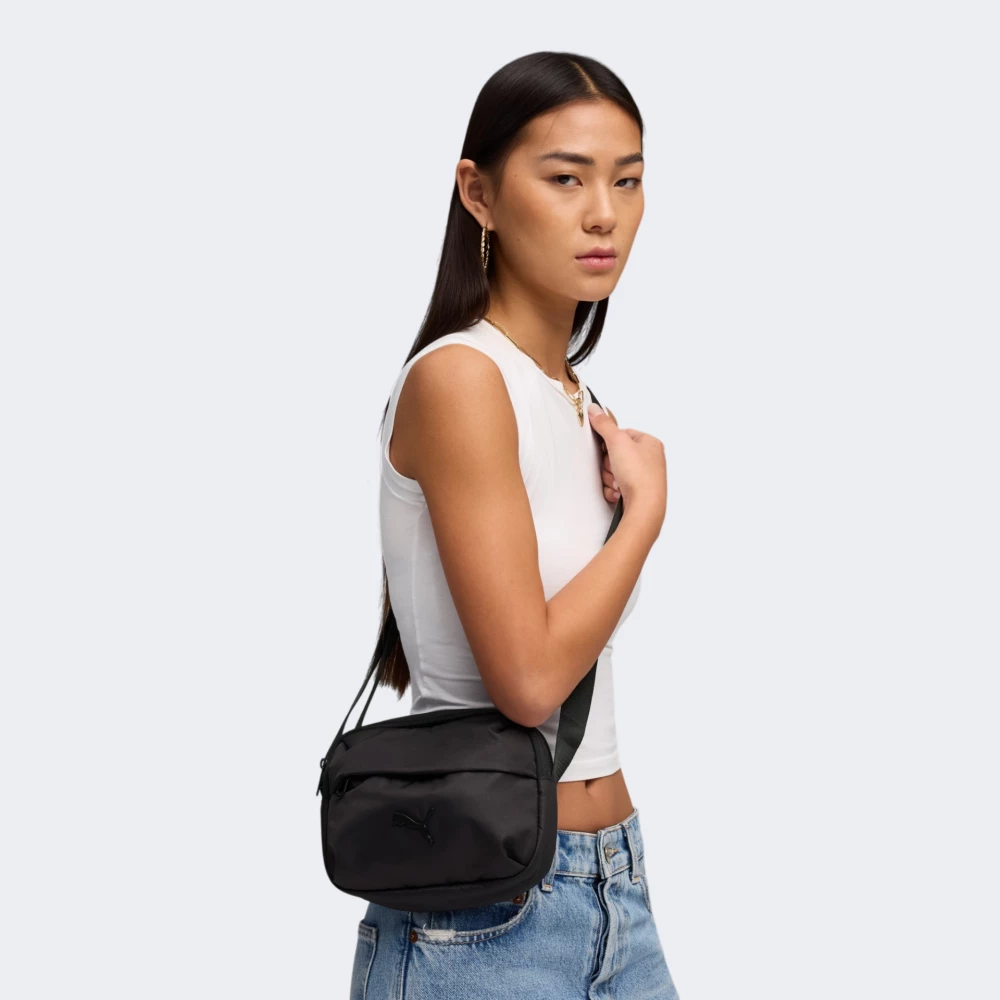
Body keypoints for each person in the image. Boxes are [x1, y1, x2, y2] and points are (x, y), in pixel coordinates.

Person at [349, 51, 679, 999]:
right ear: (479, 194)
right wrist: (645, 518)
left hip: (614, 886)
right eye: (566, 178)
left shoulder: (578, 401)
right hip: (482, 922)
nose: (604, 213)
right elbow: (529, 683)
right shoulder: (461, 379)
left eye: (627, 180)